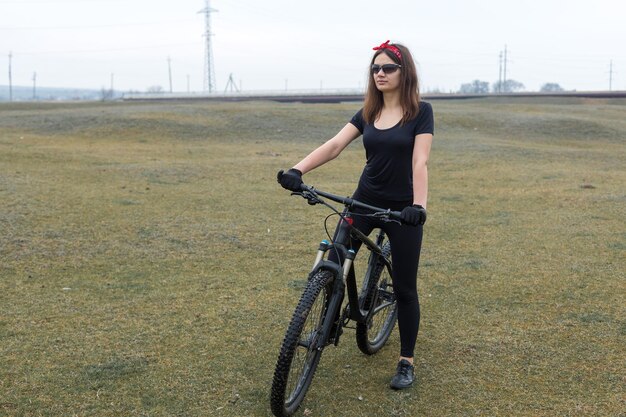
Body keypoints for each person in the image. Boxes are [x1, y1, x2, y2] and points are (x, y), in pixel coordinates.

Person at [277, 40, 434, 390]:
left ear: (403, 71)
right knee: (331, 261)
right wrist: (296, 170)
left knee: (406, 289)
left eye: (388, 68)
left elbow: (420, 160)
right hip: (362, 202)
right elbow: (334, 146)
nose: (380, 73)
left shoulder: (420, 111)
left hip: (401, 210)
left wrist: (418, 207)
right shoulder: (367, 112)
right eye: (375, 68)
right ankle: (329, 315)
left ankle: (406, 360)